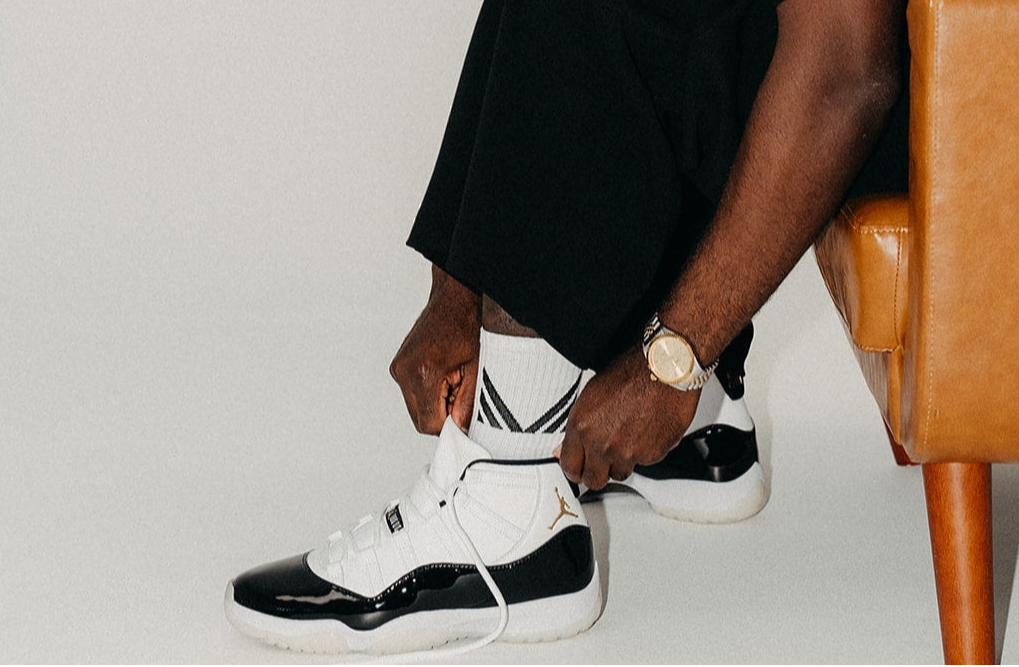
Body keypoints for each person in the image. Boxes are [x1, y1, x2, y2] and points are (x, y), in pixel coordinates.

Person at [224, 0, 907, 656]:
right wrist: (458, 285)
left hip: (969, 112)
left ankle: (512, 512)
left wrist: (673, 360)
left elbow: (849, 72)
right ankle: (701, 425)